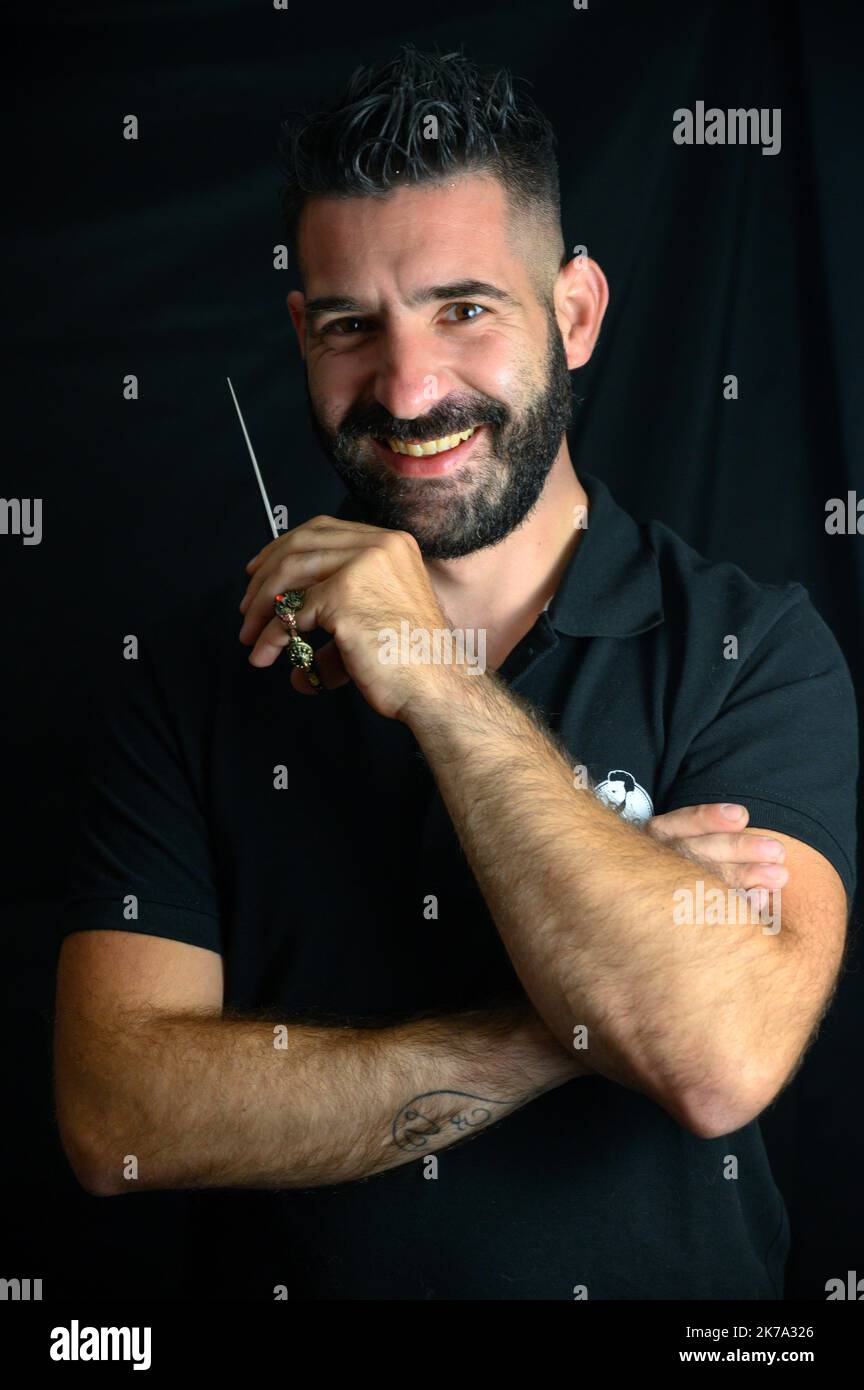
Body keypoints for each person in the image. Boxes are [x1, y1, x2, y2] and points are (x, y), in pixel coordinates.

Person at [54, 45, 857, 1301]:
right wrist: (565, 1024)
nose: (409, 386)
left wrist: (434, 678)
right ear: (299, 337)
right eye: (348, 327)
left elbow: (715, 1057)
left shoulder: (753, 652)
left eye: (464, 308)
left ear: (576, 313)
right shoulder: (191, 673)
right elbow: (118, 1120)